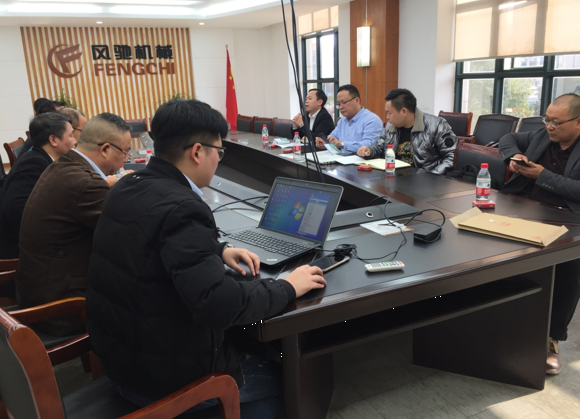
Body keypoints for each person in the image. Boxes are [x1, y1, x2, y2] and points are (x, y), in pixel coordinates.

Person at [86, 99, 326, 419]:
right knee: (286, 380)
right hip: (162, 380)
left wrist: (218, 249)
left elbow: (152, 244)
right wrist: (288, 286)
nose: (218, 160)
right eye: (219, 151)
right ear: (198, 152)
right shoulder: (183, 207)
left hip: (121, 359)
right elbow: (219, 304)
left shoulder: (128, 184)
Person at [15, 113, 131, 336]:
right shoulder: (86, 183)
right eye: (125, 152)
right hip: (61, 308)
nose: (125, 160)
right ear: (106, 149)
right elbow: (129, 235)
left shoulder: (63, 165)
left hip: (37, 290)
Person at [498, 93, 580, 375]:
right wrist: (514, 156)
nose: (549, 126)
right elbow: (509, 138)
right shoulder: (543, 136)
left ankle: (552, 338)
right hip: (527, 207)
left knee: (570, 265)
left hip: (569, 217)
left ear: (578, 122)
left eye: (557, 122)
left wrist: (541, 176)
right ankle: (497, 319)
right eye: (547, 119)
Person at [0, 113, 76, 259]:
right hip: (20, 249)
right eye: (71, 135)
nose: (75, 141)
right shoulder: (33, 163)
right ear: (53, 140)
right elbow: (15, 209)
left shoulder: (42, 158)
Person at [357, 89, 457, 174]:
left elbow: (452, 156)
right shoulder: (390, 126)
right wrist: (369, 151)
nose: (387, 117)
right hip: (394, 177)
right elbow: (379, 146)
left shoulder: (437, 125)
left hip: (425, 181)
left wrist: (433, 176)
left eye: (389, 113)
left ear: (404, 111)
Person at [315, 84, 383, 155]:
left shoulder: (372, 120)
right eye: (338, 104)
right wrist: (325, 143)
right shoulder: (342, 121)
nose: (341, 107)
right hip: (341, 159)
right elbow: (332, 137)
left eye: (344, 102)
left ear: (357, 101)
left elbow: (369, 145)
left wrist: (342, 144)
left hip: (362, 160)